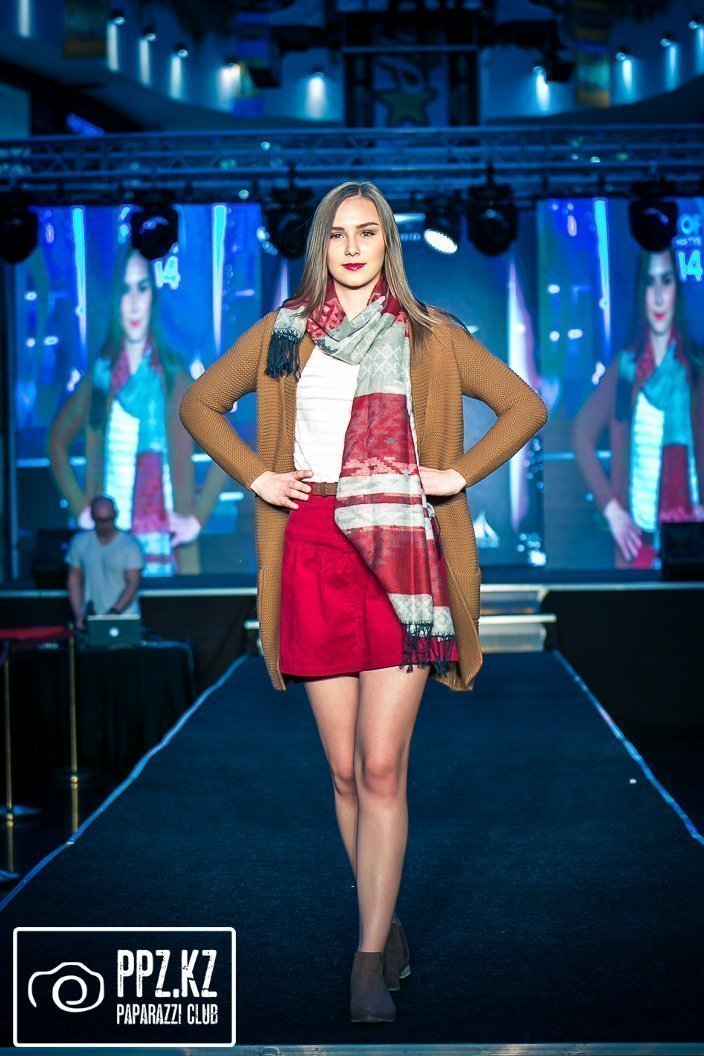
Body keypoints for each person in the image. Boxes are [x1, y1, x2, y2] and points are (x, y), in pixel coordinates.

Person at [179, 180, 548, 1023]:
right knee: (344, 771)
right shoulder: (284, 332)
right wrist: (258, 476)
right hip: (312, 548)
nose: (352, 247)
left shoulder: (429, 333)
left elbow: (524, 406)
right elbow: (198, 403)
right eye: (338, 234)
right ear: (321, 246)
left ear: (388, 243)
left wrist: (455, 474)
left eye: (368, 232)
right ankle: (384, 921)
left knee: (382, 766)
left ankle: (368, 956)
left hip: (402, 554)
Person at [48, 242, 229, 576]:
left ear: (153, 297)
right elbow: (56, 442)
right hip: (110, 551)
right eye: (125, 290)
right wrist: (81, 509)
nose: (133, 303)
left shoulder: (175, 379)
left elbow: (225, 445)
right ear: (115, 300)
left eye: (142, 288)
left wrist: (196, 519)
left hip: (170, 553)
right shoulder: (101, 378)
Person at [572, 246, 704, 569]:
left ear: (677, 290)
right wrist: (612, 510)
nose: (658, 296)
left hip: (695, 543)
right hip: (638, 547)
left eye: (666, 281)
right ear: (640, 292)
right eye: (649, 283)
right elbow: (581, 435)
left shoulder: (697, 367)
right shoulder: (626, 369)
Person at [66, 495, 144, 631]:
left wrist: (113, 613)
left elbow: (133, 584)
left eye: (109, 519)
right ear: (92, 517)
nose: (105, 525)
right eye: (100, 520)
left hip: (124, 619)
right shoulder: (80, 542)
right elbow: (74, 580)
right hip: (91, 618)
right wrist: (79, 614)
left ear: (116, 515)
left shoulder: (130, 545)